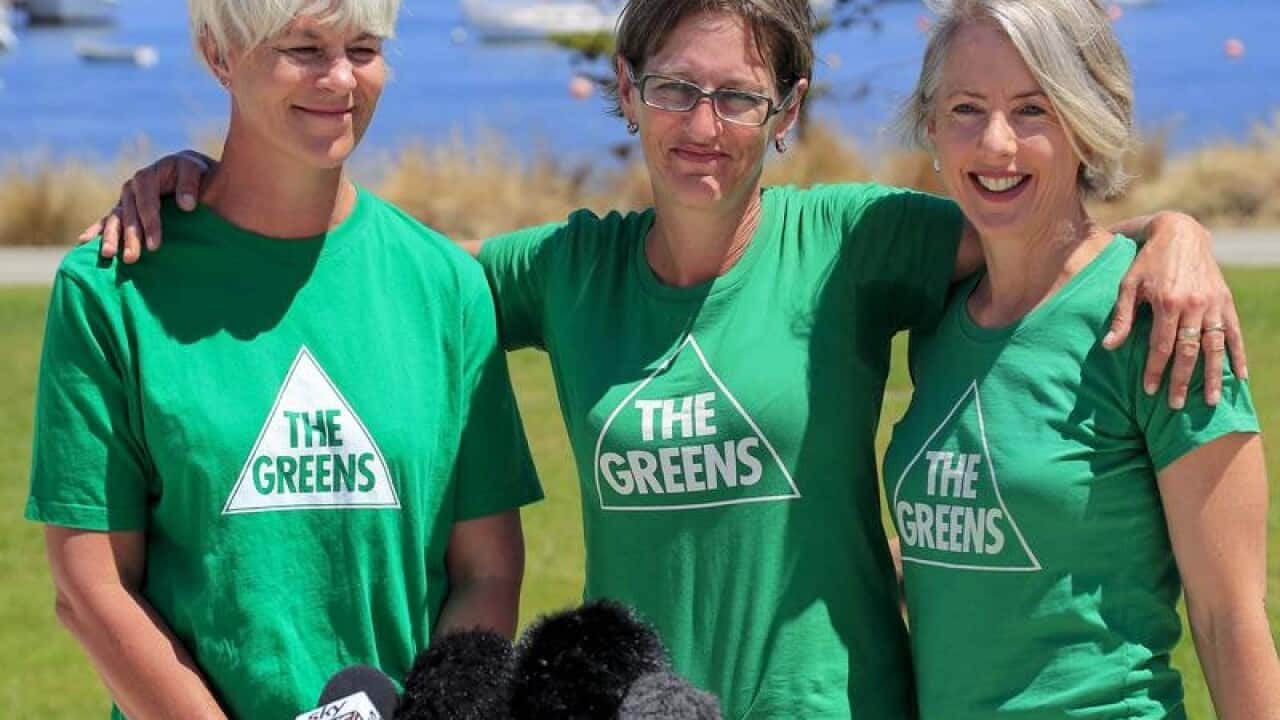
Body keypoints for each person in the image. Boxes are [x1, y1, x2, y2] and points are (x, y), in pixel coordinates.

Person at [84, 1, 1247, 716]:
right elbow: (368, 270)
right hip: (625, 708)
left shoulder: (853, 243)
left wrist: (1174, 237)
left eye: (739, 96)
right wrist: (195, 189)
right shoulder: (567, 269)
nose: (704, 124)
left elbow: (1043, 233)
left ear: (785, 110)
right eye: (676, 91)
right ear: (627, 96)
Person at [25, 1, 541, 718]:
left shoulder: (445, 286)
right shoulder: (110, 289)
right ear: (218, 54)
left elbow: (487, 572)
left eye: (363, 49)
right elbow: (92, 588)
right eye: (302, 47)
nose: (339, 80)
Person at [882, 0, 1279, 717]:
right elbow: (973, 548)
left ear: (1087, 128)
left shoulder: (1163, 317)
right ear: (933, 128)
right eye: (966, 108)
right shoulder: (939, 323)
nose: (996, 143)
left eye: (1033, 110)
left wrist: (1176, 232)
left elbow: (1229, 622)